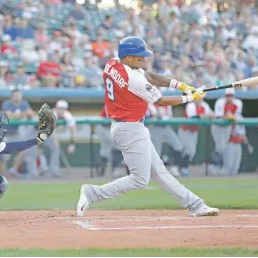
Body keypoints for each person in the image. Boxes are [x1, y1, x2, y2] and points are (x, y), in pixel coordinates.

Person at [76, 36, 218, 217]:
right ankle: (92, 193)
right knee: (140, 179)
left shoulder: (113, 63)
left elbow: (150, 76)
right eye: (138, 56)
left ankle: (195, 205)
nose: (143, 59)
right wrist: (191, 98)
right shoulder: (132, 78)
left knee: (160, 172)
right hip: (130, 129)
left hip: (128, 126)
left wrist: (183, 86)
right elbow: (160, 100)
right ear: (127, 57)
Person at [209, 89, 243, 174]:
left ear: (233, 96)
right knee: (220, 148)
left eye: (231, 95)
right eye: (228, 95)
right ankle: (213, 166)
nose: (229, 97)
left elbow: (237, 117)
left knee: (222, 149)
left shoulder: (238, 103)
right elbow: (219, 117)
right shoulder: (220, 102)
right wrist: (229, 117)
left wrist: (231, 117)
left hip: (229, 129)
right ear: (225, 96)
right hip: (218, 126)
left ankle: (215, 167)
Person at [146, 103, 184, 177]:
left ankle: (174, 167)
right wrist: (156, 115)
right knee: (157, 152)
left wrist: (162, 116)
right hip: (155, 128)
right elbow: (151, 115)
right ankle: (154, 171)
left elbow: (169, 116)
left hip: (166, 127)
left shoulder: (167, 104)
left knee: (178, 146)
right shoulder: (150, 103)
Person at [177, 100, 213, 177]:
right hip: (185, 130)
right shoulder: (190, 105)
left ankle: (181, 167)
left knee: (192, 152)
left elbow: (212, 114)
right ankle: (182, 168)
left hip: (194, 131)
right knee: (189, 150)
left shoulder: (204, 105)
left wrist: (206, 115)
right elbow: (193, 117)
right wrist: (205, 116)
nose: (199, 100)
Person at [45, 100, 76, 178]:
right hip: (35, 131)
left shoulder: (67, 115)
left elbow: (73, 129)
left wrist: (72, 143)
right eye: (60, 108)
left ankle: (53, 172)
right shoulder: (52, 113)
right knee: (34, 152)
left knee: (55, 149)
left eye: (63, 108)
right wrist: (55, 141)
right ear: (56, 108)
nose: (62, 110)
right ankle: (39, 172)